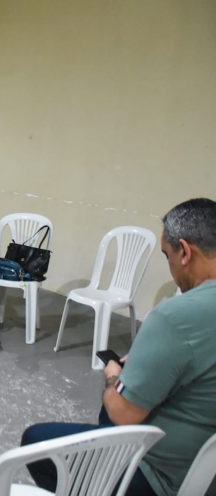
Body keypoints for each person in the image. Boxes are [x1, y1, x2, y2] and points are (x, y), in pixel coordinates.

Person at [21, 198, 216, 496]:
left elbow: (123, 413)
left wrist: (115, 375)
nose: (171, 269)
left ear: (185, 252)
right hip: (205, 463)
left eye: (167, 256)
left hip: (162, 473)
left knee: (37, 440)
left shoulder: (175, 316)